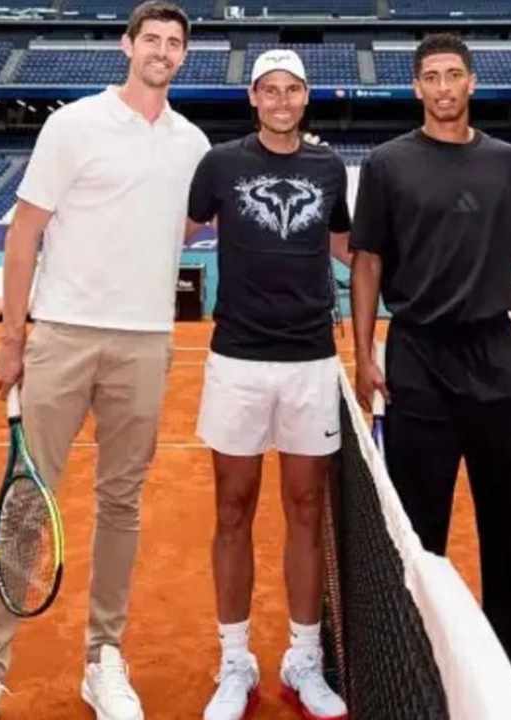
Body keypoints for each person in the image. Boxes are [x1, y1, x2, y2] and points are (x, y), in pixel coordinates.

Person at [0, 4, 210, 720]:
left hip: (146, 341)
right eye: (151, 39)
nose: (161, 51)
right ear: (128, 46)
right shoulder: (71, 125)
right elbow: (24, 232)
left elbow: (182, 223)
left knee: (122, 505)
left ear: (184, 57)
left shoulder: (192, 145)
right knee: (28, 500)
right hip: (62, 336)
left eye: (174, 43)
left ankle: (105, 660)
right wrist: (11, 335)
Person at [350, 33, 511, 720]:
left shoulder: (510, 163)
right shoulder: (386, 164)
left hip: (496, 355)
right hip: (417, 357)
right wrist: (364, 353)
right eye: (431, 77)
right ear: (416, 87)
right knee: (419, 532)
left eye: (454, 76)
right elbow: (369, 264)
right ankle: (420, 670)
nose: (443, 87)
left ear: (471, 83)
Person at [184, 49, 352, 720]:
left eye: (293, 90)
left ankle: (303, 659)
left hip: (311, 358)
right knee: (233, 509)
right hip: (238, 359)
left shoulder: (329, 167)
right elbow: (179, 226)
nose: (281, 101)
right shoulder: (220, 165)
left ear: (304, 98)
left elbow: (348, 246)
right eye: (269, 90)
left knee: (307, 510)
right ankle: (235, 660)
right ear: (253, 98)